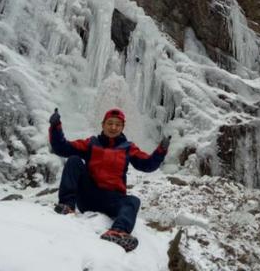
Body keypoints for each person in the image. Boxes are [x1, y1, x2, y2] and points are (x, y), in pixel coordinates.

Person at [48, 107, 170, 251]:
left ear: (122, 127)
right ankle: (67, 206)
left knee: (133, 201)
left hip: (112, 201)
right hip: (88, 196)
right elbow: (62, 148)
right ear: (103, 125)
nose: (113, 127)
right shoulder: (91, 143)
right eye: (110, 123)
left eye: (118, 124)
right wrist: (56, 127)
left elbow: (147, 165)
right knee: (74, 160)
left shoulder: (128, 148)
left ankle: (118, 231)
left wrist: (161, 151)